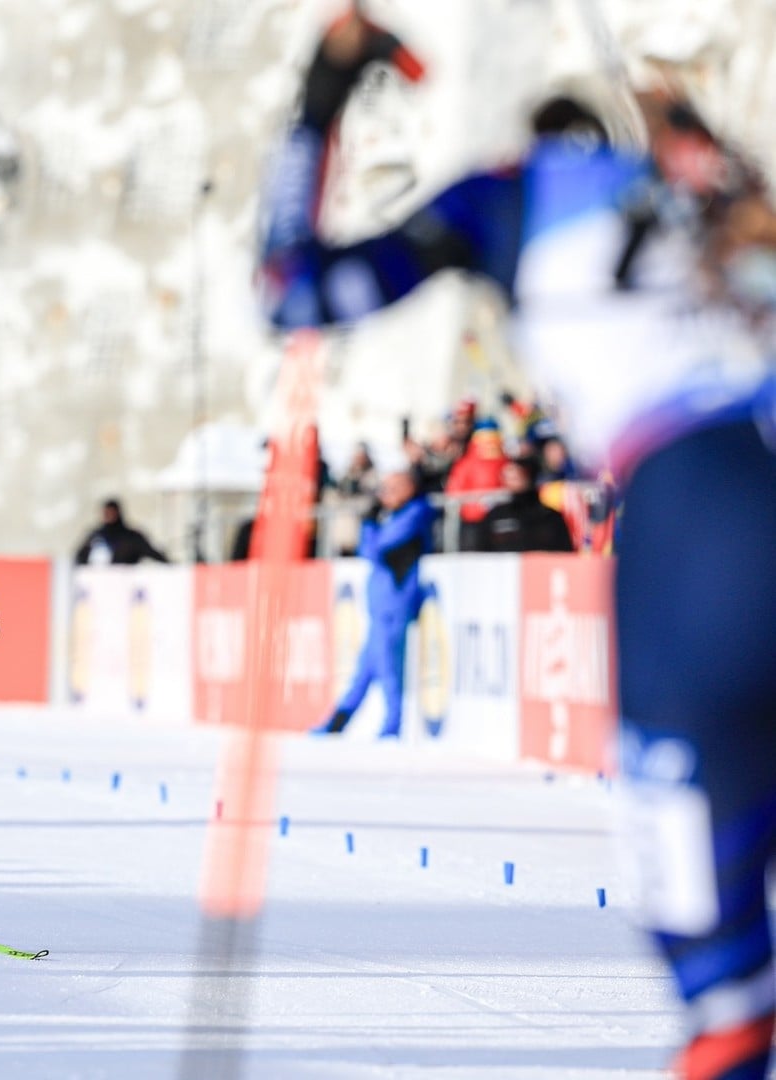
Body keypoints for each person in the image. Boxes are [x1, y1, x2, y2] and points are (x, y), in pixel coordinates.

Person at [259, 11, 776, 1075]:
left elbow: (291, 288)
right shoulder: (699, 184)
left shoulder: (508, 192)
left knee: (720, 969)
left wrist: (323, 95)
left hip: (698, 520)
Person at [314, 468, 435, 738]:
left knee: (389, 667)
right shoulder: (389, 516)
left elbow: (376, 548)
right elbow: (365, 549)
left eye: (392, 489)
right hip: (379, 604)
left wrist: (370, 526)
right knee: (364, 671)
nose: (385, 495)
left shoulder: (415, 512)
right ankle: (337, 721)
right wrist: (370, 524)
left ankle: (392, 726)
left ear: (409, 488)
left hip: (395, 602)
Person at [478, 456, 575, 553]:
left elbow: (565, 554)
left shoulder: (550, 517)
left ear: (530, 477)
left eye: (517, 477)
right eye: (507, 477)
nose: (511, 481)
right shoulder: (496, 515)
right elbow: (479, 554)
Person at [443, 417, 508, 550]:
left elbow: (454, 490)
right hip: (481, 521)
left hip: (488, 519)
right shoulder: (467, 464)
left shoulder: (466, 463)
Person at [74, 497, 169, 565]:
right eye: (106, 513)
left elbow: (152, 553)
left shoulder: (131, 537)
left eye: (112, 512)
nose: (109, 516)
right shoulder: (95, 537)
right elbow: (79, 557)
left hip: (125, 586)